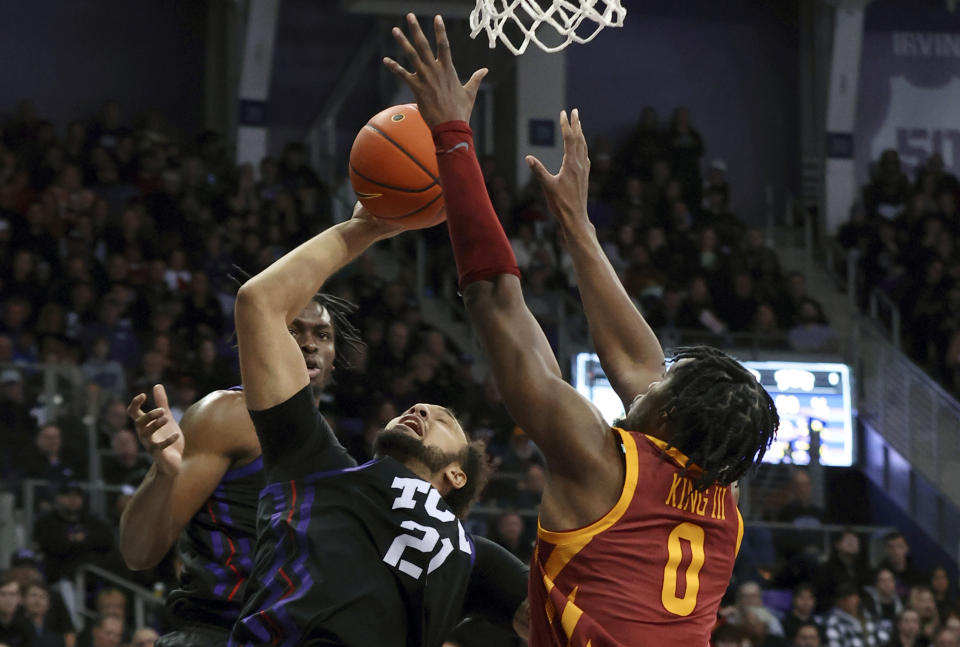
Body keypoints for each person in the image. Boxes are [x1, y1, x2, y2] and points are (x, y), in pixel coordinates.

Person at [383, 13, 778, 646]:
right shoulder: (724, 498)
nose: (648, 386)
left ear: (669, 423)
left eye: (662, 391)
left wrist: (453, 134)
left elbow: (494, 301)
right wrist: (576, 225)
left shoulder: (599, 462)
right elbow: (636, 364)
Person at [227, 196, 528, 646]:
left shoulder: (472, 555)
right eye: (420, 407)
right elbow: (258, 303)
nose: (421, 409)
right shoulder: (317, 461)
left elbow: (559, 619)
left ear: (457, 473)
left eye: (444, 419)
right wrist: (363, 230)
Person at [120, 286, 365, 646]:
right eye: (294, 330)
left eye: (322, 335)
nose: (310, 344)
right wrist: (165, 477)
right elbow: (138, 552)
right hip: (216, 633)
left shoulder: (335, 455)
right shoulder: (229, 414)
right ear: (263, 336)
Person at [0, 572, 34, 647]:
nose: (8, 599)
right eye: (3, 594)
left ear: (19, 599)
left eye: (12, 594)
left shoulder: (27, 626)